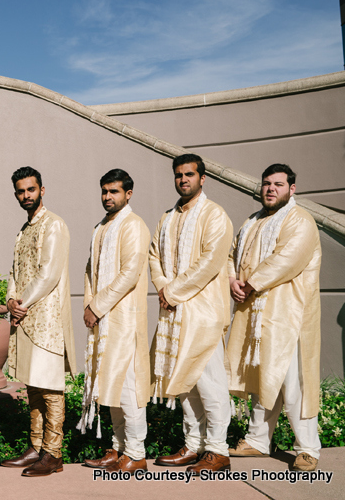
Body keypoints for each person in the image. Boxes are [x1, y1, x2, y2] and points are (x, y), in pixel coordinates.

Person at [227, 164, 322, 472]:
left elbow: (289, 258)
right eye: (266, 184)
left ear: (291, 189)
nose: (270, 189)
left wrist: (251, 283)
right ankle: (257, 440)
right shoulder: (252, 221)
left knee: (294, 383)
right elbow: (232, 255)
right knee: (259, 378)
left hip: (288, 313)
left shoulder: (300, 220)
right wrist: (232, 280)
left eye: (278, 184)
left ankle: (307, 448)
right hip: (255, 313)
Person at [148, 154, 234, 474]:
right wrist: (162, 287)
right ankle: (194, 444)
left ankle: (218, 450)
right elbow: (154, 255)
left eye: (189, 174)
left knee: (210, 383)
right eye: (179, 175)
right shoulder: (167, 217)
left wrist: (171, 292)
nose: (183, 179)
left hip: (204, 313)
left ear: (203, 178)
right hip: (174, 313)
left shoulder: (214, 215)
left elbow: (210, 262)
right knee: (185, 383)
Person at [0, 166, 76, 477]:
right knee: (33, 385)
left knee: (50, 386)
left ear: (42, 190)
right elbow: (14, 272)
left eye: (31, 190)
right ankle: (35, 447)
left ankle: (53, 453)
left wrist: (21, 303)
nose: (25, 196)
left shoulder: (54, 225)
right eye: (20, 191)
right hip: (25, 317)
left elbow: (49, 274)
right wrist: (10, 300)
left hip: (46, 319)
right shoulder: (23, 230)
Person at [77, 169, 150, 474]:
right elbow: (90, 271)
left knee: (128, 387)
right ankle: (117, 447)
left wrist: (98, 306)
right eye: (104, 191)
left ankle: (136, 452)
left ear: (128, 194)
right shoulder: (101, 227)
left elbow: (129, 274)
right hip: (103, 321)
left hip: (123, 320)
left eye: (114, 192)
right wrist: (89, 307)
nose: (108, 197)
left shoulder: (134, 225)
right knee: (110, 385)